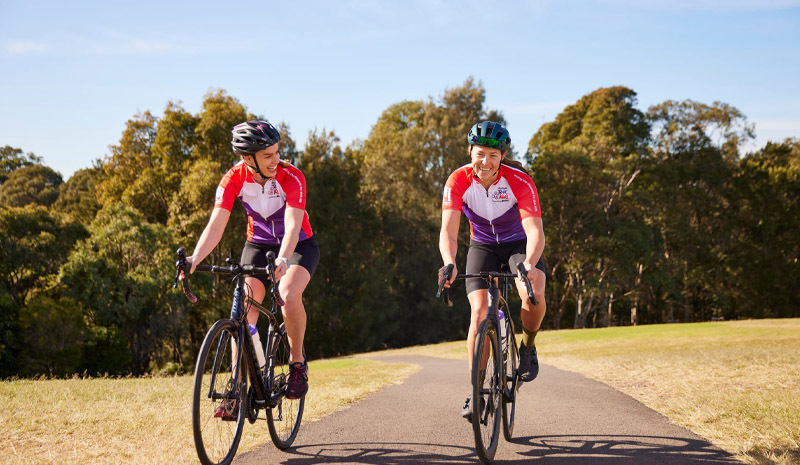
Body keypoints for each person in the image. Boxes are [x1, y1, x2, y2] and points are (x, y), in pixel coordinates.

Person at [182, 120, 319, 401]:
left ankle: (296, 364)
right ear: (247, 158)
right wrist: (195, 258)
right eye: (268, 156)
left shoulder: (292, 177)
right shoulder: (233, 178)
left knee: (288, 294)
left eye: (277, 152)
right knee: (245, 308)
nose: (276, 160)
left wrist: (283, 258)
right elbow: (216, 224)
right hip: (257, 244)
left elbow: (293, 226)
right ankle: (237, 386)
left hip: (298, 245)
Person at [437, 120, 546, 420]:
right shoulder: (457, 180)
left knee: (533, 291)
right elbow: (448, 231)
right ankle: (476, 391)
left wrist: (529, 263)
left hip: (518, 245)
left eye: (493, 156)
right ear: (471, 151)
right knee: (479, 312)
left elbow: (535, 231)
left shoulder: (519, 181)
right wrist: (449, 261)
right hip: (482, 246)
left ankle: (528, 347)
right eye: (480, 153)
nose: (485, 162)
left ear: (502, 157)